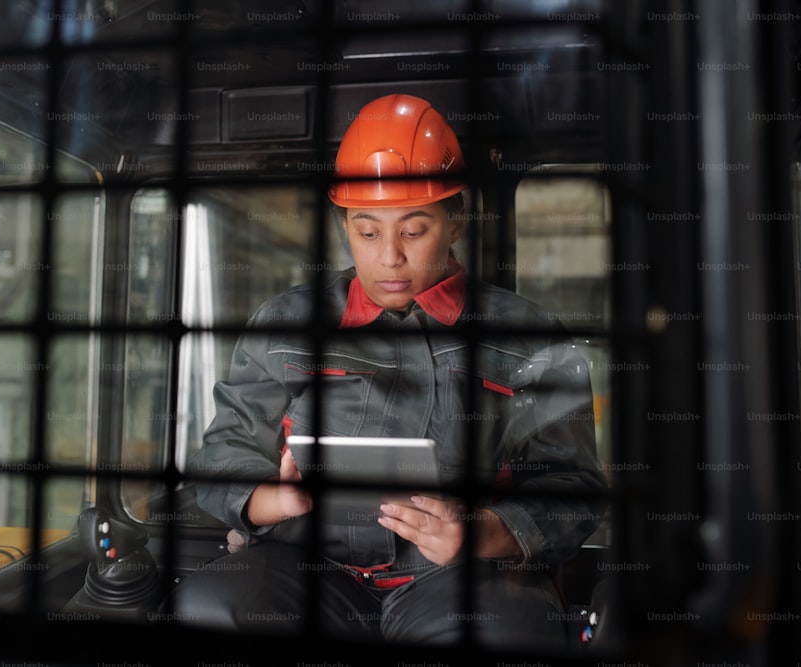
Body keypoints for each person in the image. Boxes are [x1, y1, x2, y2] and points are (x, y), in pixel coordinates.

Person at [169, 94, 607, 648]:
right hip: (303, 566)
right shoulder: (285, 324)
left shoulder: (530, 338)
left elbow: (576, 489)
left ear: (455, 222)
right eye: (368, 231)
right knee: (208, 607)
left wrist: (484, 534)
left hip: (460, 578)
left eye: (414, 229)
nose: (389, 258)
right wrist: (272, 500)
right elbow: (221, 454)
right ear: (344, 224)